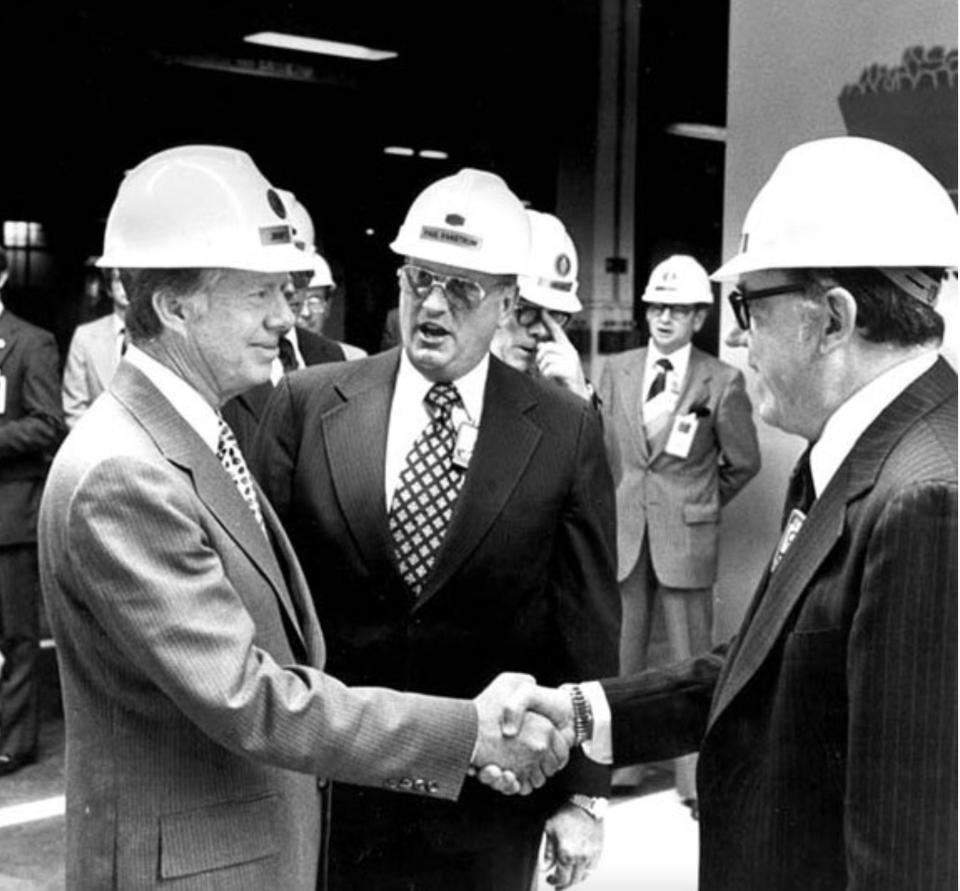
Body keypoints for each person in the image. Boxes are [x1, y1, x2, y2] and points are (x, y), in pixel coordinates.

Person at [37, 146, 572, 889]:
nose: (286, 317)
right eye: (260, 295)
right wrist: (470, 729)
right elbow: (253, 697)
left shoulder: (188, 434)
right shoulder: (124, 474)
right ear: (174, 305)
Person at [489, 136, 959, 890]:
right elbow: (754, 669)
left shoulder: (927, 502)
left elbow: (907, 849)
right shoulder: (850, 459)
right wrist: (579, 709)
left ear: (834, 319)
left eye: (748, 306)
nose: (736, 336)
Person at [251, 168, 621, 891]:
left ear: (508, 304)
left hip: (489, 801)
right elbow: (267, 600)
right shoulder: (307, 404)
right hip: (334, 792)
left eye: (463, 290)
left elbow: (585, 621)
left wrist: (581, 792)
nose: (433, 306)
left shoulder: (564, 430)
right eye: (420, 279)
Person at [596, 253, 760, 808]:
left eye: (679, 309)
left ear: (698, 317)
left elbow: (742, 461)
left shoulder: (723, 379)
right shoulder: (614, 371)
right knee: (622, 652)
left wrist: (698, 502)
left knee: (688, 659)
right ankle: (620, 770)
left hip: (685, 536)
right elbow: (600, 452)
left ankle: (691, 781)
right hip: (625, 533)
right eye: (657, 306)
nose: (665, 318)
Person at [0, 249, 66, 776]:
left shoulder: (30, 343)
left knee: (16, 634)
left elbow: (47, 423)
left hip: (9, 511)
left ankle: (13, 741)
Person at [491, 210, 594, 404]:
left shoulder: (557, 390)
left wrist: (578, 397)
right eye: (527, 311)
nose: (540, 330)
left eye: (555, 316)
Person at [61, 265, 129, 428]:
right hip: (96, 444)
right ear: (109, 288)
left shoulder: (158, 336)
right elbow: (74, 406)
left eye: (132, 280)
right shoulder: (85, 336)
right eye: (120, 280)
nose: (126, 287)